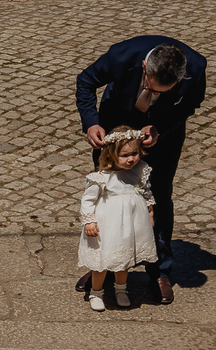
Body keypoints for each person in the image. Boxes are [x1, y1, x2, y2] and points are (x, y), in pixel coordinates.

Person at [75, 36, 206, 304]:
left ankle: (160, 271)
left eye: (164, 92)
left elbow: (190, 104)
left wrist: (161, 128)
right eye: (150, 87)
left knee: (158, 195)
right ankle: (104, 265)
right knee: (108, 193)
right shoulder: (121, 55)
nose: (154, 95)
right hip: (115, 125)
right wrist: (91, 122)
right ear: (144, 67)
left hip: (162, 133)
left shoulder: (196, 67)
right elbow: (85, 81)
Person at [79, 127, 156, 311]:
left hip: (130, 223)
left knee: (124, 259)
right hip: (108, 225)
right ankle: (96, 292)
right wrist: (89, 221)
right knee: (102, 261)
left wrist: (150, 212)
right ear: (111, 155)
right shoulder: (102, 177)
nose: (131, 159)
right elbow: (88, 200)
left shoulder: (139, 170)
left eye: (134, 154)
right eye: (124, 155)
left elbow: (145, 191)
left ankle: (121, 289)